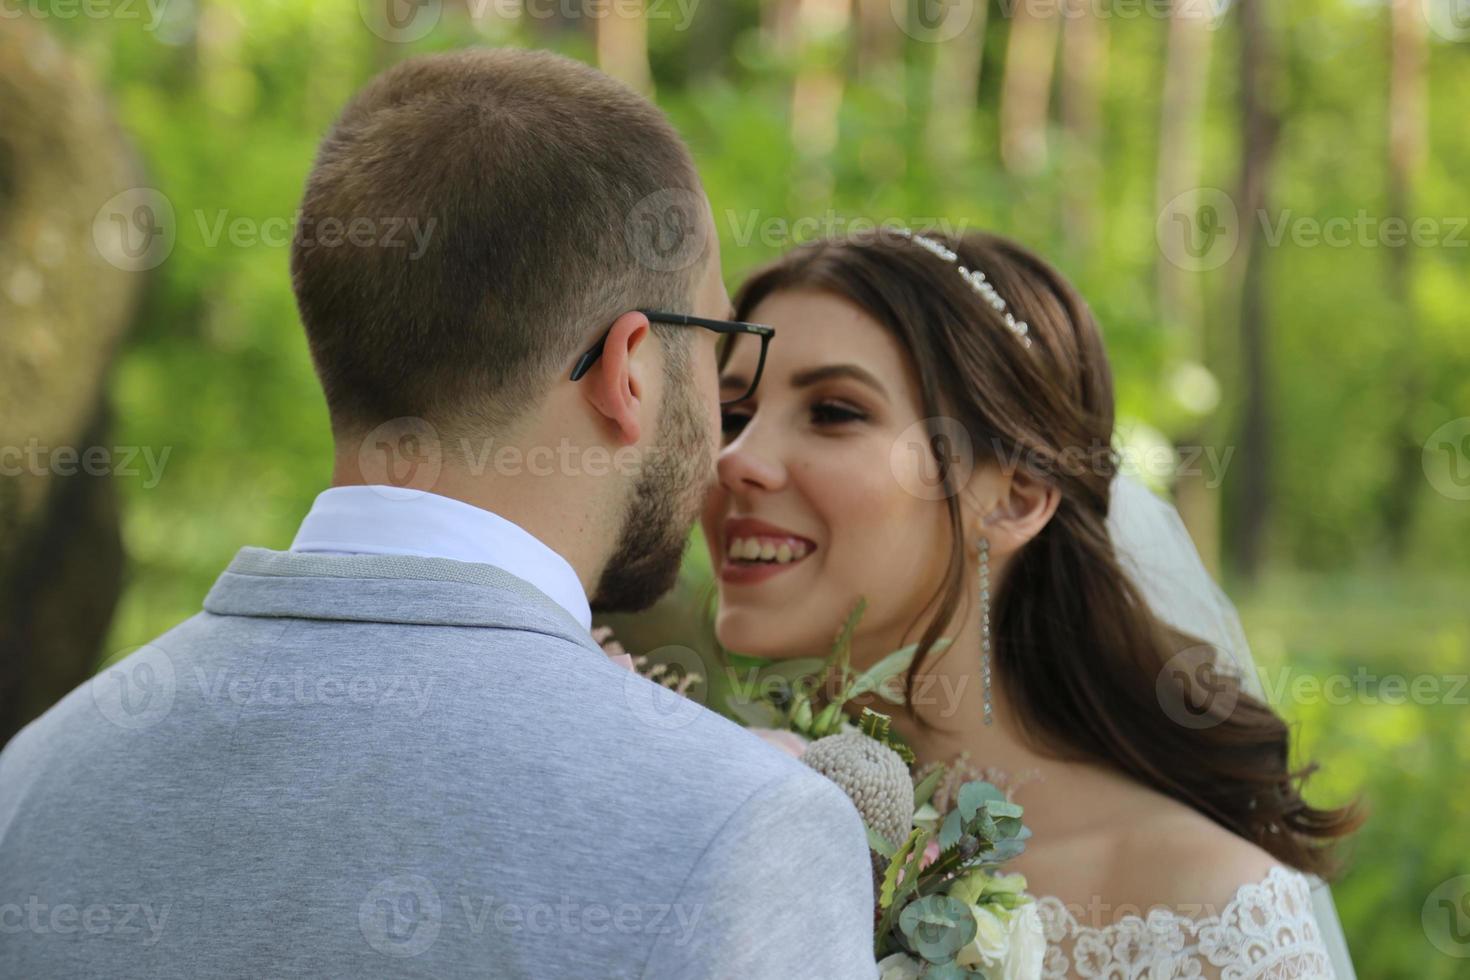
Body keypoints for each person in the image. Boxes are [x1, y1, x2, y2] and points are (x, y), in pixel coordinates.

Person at [0, 49, 877, 979]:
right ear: (630, 371)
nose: (731, 436)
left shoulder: (36, 779)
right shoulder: (747, 828)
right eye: (716, 341)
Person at [703, 227, 1362, 977]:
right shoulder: (718, 818)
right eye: (731, 415)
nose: (735, 460)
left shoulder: (1204, 909)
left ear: (1015, 498)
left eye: (834, 412)